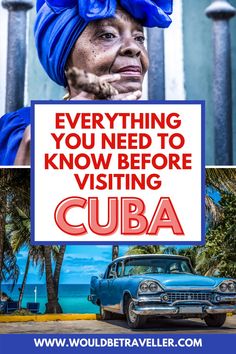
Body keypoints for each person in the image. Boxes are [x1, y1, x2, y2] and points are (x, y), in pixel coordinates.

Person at [0, 0, 173, 166]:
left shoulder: (163, 140)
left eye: (139, 38)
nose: (134, 48)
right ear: (65, 59)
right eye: (107, 35)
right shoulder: (22, 131)